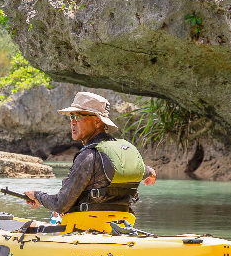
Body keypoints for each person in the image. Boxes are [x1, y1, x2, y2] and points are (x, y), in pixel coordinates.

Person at [24, 91, 156, 217]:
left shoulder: (88, 156)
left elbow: (60, 204)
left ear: (98, 122)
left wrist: (37, 195)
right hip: (122, 225)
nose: (72, 122)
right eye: (71, 117)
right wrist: (151, 172)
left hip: (86, 227)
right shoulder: (123, 151)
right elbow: (144, 170)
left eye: (78, 116)